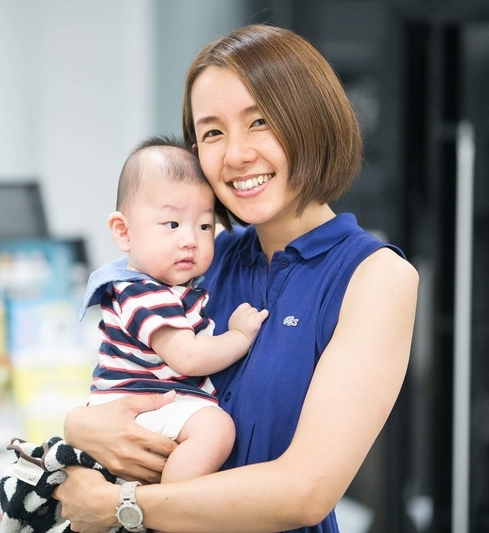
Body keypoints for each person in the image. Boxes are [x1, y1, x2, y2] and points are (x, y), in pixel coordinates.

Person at [55, 23, 419, 533]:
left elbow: (304, 492)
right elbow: (128, 380)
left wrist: (123, 506)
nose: (236, 154)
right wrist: (79, 423)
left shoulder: (375, 277)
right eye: (212, 132)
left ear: (311, 123)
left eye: (260, 122)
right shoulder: (204, 260)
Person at [79, 134, 269, 487]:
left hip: (150, 406)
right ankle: (170, 510)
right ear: (124, 231)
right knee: (215, 428)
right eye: (172, 224)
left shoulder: (169, 287)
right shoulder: (142, 291)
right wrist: (240, 336)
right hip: (134, 407)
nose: (190, 240)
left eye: (204, 226)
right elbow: (188, 357)